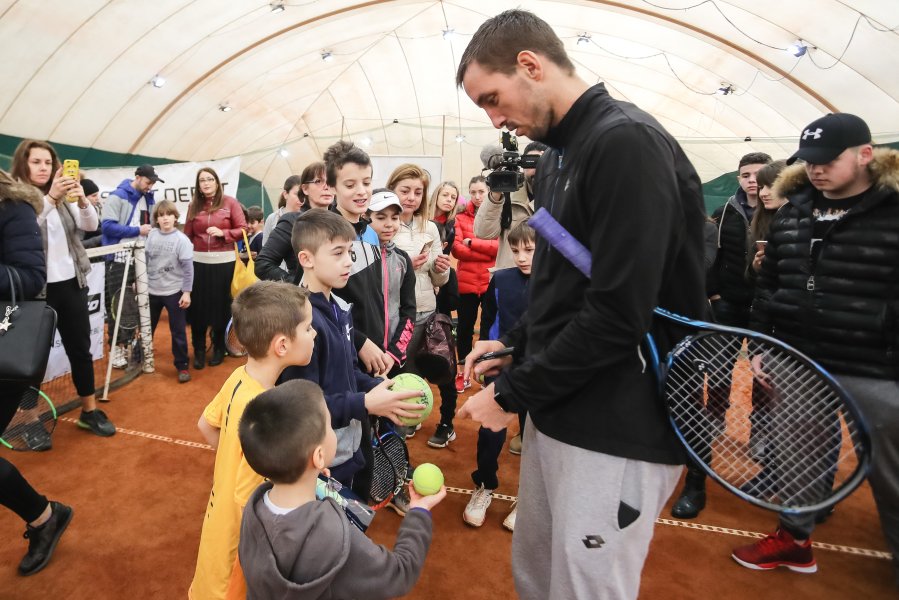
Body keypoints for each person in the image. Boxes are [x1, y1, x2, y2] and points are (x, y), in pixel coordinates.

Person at [455, 10, 706, 599]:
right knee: (540, 578)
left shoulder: (625, 143)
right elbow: (572, 282)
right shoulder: (561, 153)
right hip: (565, 411)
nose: (496, 120)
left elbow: (620, 313)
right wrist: (515, 345)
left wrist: (513, 394)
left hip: (620, 422)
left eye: (493, 98)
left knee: (584, 591)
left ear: (530, 65)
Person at [732, 113, 899, 584]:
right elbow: (770, 283)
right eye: (809, 161)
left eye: (828, 160)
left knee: (891, 474)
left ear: (866, 154)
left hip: (876, 365)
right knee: (798, 458)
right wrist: (762, 345)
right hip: (798, 360)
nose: (817, 169)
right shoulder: (793, 210)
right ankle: (794, 541)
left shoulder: (893, 208)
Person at [237, 379, 446, 599]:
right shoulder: (335, 536)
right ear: (318, 457)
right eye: (329, 426)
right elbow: (399, 574)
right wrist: (419, 512)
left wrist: (311, 476)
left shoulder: (253, 512)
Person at [189, 281, 316, 600]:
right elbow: (249, 501)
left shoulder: (238, 379)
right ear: (282, 345)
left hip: (216, 533)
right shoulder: (267, 410)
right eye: (308, 328)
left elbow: (206, 425)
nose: (314, 334)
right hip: (238, 553)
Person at [279, 209, 424, 488]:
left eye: (350, 252)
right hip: (323, 464)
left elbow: (348, 371)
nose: (348, 262)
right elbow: (304, 409)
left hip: (352, 446)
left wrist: (378, 387)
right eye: (337, 253)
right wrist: (366, 403)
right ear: (306, 259)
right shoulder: (300, 325)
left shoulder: (341, 307)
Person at [671, 150, 773, 519]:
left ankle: (696, 482)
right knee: (710, 380)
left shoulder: (704, 224)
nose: (751, 181)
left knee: (692, 402)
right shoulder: (726, 212)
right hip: (705, 311)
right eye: (745, 174)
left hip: (692, 321)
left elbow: (698, 267)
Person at [11, 139, 116, 438]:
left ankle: (89, 411)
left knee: (80, 351)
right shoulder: (15, 199)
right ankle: (29, 420)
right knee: (32, 362)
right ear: (23, 164)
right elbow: (26, 228)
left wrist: (82, 200)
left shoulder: (62, 194)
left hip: (71, 284)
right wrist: (51, 200)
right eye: (36, 162)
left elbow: (91, 225)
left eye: (47, 162)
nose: (43, 168)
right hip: (35, 292)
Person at [0, 168, 74, 576]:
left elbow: (29, 279)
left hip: (4, 351)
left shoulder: (12, 206)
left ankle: (45, 517)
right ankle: (46, 517)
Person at [463, 219, 534, 532]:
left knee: (536, 436)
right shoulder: (501, 279)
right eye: (515, 249)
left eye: (529, 250)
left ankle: (528, 497)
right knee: (491, 429)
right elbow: (489, 320)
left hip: (543, 369)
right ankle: (484, 485)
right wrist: (490, 358)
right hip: (504, 364)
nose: (521, 256)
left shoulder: (559, 285)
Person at [184, 167, 247, 370]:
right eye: (202, 180)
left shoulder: (230, 203)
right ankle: (199, 350)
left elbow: (243, 229)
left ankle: (219, 348)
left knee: (221, 308)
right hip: (198, 263)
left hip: (224, 263)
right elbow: (187, 236)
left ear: (217, 182)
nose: (206, 183)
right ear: (198, 185)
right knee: (198, 309)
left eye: (210, 179)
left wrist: (223, 233)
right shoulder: (193, 205)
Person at [101, 164, 161, 369]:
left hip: (140, 259)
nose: (150, 186)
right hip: (118, 260)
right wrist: (137, 230)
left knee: (138, 304)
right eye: (147, 182)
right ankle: (116, 349)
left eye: (152, 183)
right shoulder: (117, 196)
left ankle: (134, 345)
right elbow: (107, 226)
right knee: (117, 306)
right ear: (137, 177)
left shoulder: (148, 197)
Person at [452, 175, 499, 393]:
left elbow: (500, 247)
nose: (478, 196)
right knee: (464, 329)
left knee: (489, 330)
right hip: (467, 284)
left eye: (481, 191)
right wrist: (486, 249)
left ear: (489, 191)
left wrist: (473, 243)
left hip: (491, 281)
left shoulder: (498, 214)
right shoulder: (460, 217)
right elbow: (458, 250)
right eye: (473, 192)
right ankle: (463, 372)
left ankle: (485, 371)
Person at [253, 161, 333, 283]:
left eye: (330, 181)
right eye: (318, 181)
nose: (326, 186)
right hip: (305, 297)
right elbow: (263, 264)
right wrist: (296, 284)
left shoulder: (338, 220)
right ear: (305, 189)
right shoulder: (293, 221)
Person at [475, 140, 546, 272]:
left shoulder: (560, 195)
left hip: (547, 279)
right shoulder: (509, 195)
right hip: (511, 276)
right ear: (523, 167)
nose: (536, 169)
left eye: (541, 163)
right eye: (531, 163)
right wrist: (496, 193)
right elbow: (483, 232)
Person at [366, 190, 416, 371]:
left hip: (392, 357)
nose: (389, 225)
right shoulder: (353, 257)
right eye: (380, 218)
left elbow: (409, 310)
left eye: (394, 218)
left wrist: (394, 352)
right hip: (361, 356)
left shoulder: (403, 259)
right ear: (365, 217)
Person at [145, 200, 194, 384]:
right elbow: (145, 260)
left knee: (178, 331)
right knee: (146, 328)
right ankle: (139, 358)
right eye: (161, 215)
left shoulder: (182, 240)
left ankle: (181, 366)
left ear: (175, 217)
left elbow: (189, 269)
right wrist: (140, 283)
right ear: (157, 219)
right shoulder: (151, 236)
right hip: (151, 291)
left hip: (174, 292)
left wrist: (187, 292)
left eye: (168, 215)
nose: (165, 218)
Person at [262, 175, 303, 241]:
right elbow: (265, 246)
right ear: (285, 194)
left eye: (303, 195)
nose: (301, 199)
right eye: (297, 194)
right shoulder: (273, 218)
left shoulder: (307, 217)